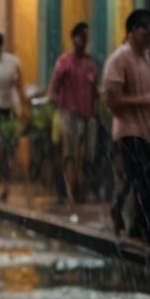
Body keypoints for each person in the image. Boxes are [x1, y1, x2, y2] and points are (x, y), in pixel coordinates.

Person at [102, 9, 150, 242]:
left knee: (145, 180)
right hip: (129, 132)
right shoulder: (120, 59)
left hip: (149, 133)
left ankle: (137, 224)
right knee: (144, 180)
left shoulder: (148, 60)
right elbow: (112, 99)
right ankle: (141, 229)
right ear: (132, 31)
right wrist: (144, 99)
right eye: (144, 27)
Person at [47, 22, 98, 208]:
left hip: (87, 116)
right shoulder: (64, 62)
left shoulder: (90, 64)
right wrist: (58, 107)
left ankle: (78, 188)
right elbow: (52, 89)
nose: (83, 41)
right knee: (69, 155)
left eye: (85, 37)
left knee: (83, 155)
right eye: (80, 37)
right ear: (74, 38)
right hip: (68, 115)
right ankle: (70, 193)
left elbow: (95, 91)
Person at [0, 31, 26, 200]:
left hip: (6, 111)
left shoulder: (12, 62)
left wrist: (23, 108)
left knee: (7, 150)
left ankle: (4, 184)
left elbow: (19, 85)